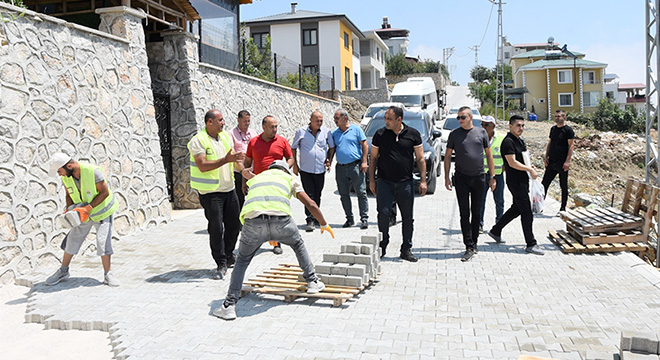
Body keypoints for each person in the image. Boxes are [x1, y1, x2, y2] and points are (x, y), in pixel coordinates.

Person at [213, 160, 335, 320]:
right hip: (281, 222)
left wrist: (266, 233)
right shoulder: (289, 179)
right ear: (285, 170)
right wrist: (324, 223)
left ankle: (229, 305)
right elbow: (311, 203)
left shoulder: (257, 178)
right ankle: (312, 282)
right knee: (298, 244)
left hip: (253, 222)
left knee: (242, 260)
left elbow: (254, 192)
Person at [46, 152, 120, 287]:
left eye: (59, 171)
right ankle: (63, 271)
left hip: (102, 211)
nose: (59, 174)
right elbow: (68, 194)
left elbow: (105, 192)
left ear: (68, 165)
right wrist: (69, 209)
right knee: (72, 239)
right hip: (82, 212)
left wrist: (89, 208)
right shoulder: (67, 177)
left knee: (103, 241)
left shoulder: (93, 172)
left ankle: (108, 274)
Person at [188, 109, 245, 280]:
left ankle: (228, 255)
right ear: (209, 122)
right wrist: (226, 160)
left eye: (223, 119)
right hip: (211, 193)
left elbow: (233, 160)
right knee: (216, 228)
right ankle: (220, 263)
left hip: (229, 189)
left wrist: (245, 173)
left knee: (235, 224)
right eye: (220, 120)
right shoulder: (198, 141)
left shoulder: (226, 137)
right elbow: (203, 165)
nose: (223, 122)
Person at [368, 106, 426, 262]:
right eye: (385, 118)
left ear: (399, 120)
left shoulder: (413, 134)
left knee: (408, 218)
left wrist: (423, 180)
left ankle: (406, 249)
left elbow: (420, 159)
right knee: (383, 214)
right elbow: (373, 158)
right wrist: (372, 180)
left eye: (389, 119)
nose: (386, 121)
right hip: (384, 182)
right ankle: (383, 245)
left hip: (405, 183)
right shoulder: (380, 134)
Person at [444, 106, 496, 262]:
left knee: (477, 212)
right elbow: (447, 157)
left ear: (470, 117)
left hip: (479, 178)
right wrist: (446, 177)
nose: (460, 120)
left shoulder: (481, 133)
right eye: (458, 118)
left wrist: (492, 176)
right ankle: (468, 245)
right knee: (464, 213)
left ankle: (474, 243)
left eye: (463, 117)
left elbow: (489, 154)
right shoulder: (454, 134)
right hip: (461, 178)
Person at [487, 115, 545, 255]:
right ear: (510, 126)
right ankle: (531, 243)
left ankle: (496, 230)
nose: (521, 128)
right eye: (518, 125)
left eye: (523, 126)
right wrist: (529, 169)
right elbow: (511, 162)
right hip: (515, 181)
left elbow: (521, 159)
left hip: (522, 180)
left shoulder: (519, 141)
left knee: (516, 209)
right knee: (526, 212)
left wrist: (529, 166)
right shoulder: (508, 142)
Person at [243, 115, 294, 255]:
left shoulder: (282, 141)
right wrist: (244, 181)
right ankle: (257, 242)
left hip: (275, 184)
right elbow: (247, 163)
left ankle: (276, 242)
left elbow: (290, 158)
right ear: (263, 127)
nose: (275, 129)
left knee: (275, 212)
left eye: (276, 126)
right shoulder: (253, 142)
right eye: (272, 127)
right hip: (258, 184)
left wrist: (284, 168)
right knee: (258, 213)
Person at [291, 110, 335, 232]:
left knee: (318, 194)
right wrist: (295, 165)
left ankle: (316, 217)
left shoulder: (326, 132)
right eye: (317, 120)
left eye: (321, 120)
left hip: (320, 169)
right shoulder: (301, 132)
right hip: (306, 169)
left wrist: (329, 160)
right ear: (310, 120)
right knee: (308, 195)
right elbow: (293, 148)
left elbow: (332, 147)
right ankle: (309, 219)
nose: (319, 123)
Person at [327, 108, 369, 229]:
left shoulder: (356, 129)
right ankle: (349, 219)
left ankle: (364, 218)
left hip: (355, 166)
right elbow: (332, 148)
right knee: (344, 194)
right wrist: (329, 160)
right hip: (340, 168)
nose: (335, 120)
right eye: (335, 118)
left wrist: (364, 161)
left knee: (361, 192)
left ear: (345, 118)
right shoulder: (335, 133)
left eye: (337, 118)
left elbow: (364, 144)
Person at [542, 109, 574, 212]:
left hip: (562, 162)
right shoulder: (553, 129)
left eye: (559, 116)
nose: (557, 118)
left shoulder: (568, 130)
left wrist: (567, 161)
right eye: (556, 116)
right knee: (544, 184)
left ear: (564, 118)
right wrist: (546, 157)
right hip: (552, 161)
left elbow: (571, 146)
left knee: (563, 186)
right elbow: (550, 143)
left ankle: (563, 208)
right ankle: (540, 206)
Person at [479, 115, 505, 231]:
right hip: (482, 174)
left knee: (499, 200)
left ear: (493, 126)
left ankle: (499, 224)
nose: (483, 127)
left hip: (498, 174)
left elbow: (506, 156)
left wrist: (501, 170)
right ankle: (479, 224)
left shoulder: (501, 138)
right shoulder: (478, 137)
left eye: (486, 125)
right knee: (480, 200)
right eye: (482, 124)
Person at [229, 110, 258, 208]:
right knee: (239, 198)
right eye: (245, 121)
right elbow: (231, 150)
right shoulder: (231, 134)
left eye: (248, 121)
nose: (247, 123)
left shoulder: (253, 133)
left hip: (251, 169)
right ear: (238, 120)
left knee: (253, 196)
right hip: (238, 171)